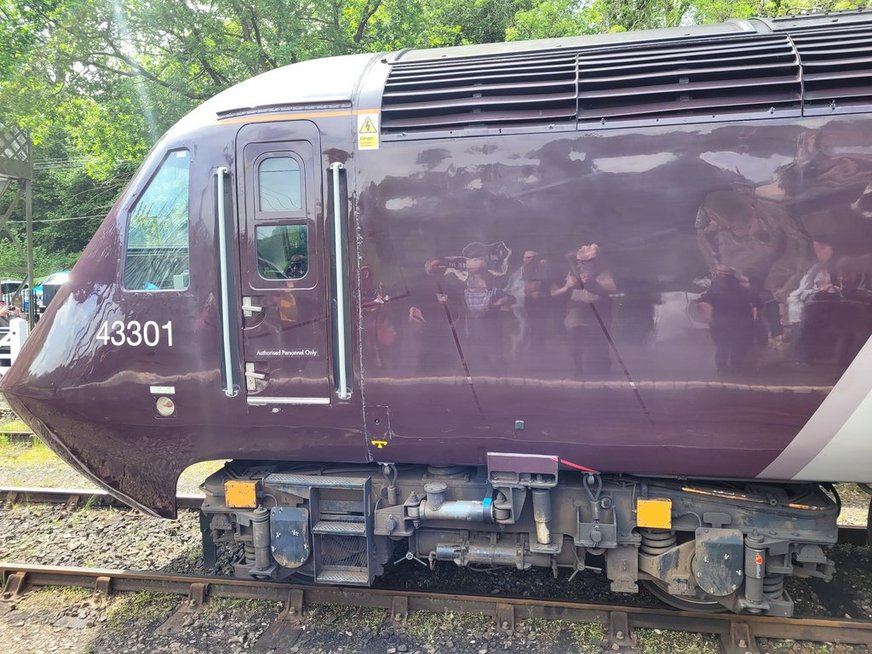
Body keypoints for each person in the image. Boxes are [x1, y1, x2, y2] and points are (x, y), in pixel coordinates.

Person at [551, 244, 616, 377]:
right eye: (580, 262)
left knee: (599, 346)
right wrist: (567, 287)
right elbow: (554, 294)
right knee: (575, 343)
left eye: (586, 261)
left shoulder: (602, 274)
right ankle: (578, 368)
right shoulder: (572, 274)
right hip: (576, 316)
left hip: (597, 317)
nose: (582, 264)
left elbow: (612, 289)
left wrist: (595, 284)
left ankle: (602, 367)